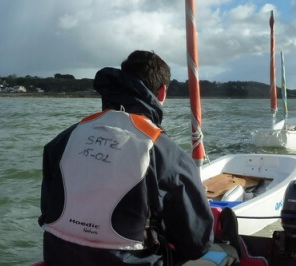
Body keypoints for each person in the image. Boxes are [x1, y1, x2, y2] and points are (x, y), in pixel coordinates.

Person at [39, 50, 237, 265]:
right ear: (162, 93)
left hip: (58, 258)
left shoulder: (64, 140)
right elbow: (196, 244)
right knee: (228, 255)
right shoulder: (166, 153)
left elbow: (47, 212)